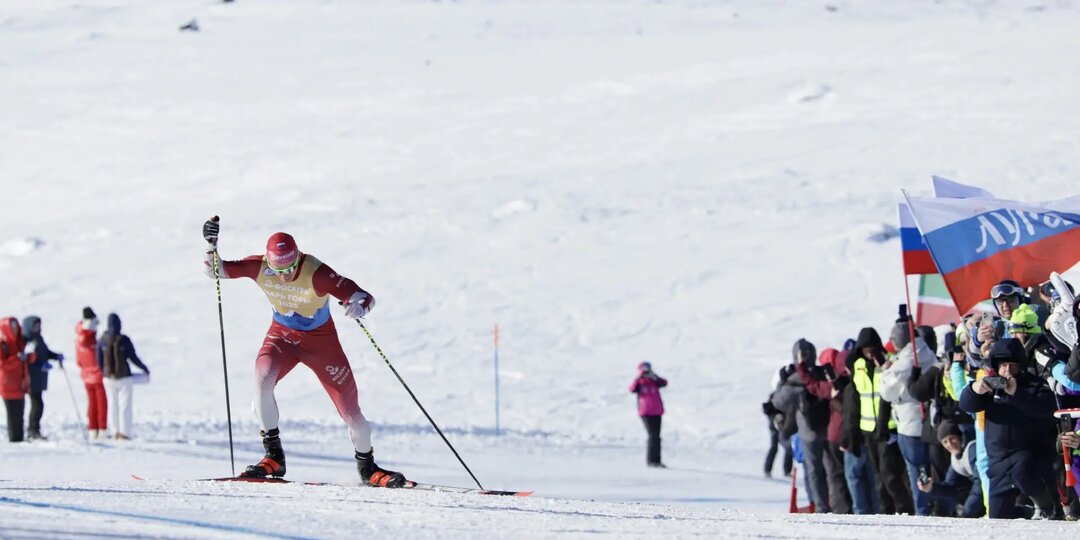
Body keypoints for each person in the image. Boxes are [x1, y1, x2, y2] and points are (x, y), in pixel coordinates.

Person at [201, 219, 407, 487]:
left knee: (352, 413)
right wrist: (210, 246)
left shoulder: (317, 272)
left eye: (290, 268)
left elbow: (362, 295)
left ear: (298, 258)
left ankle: (368, 468)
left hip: (322, 344)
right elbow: (217, 270)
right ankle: (274, 456)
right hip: (282, 338)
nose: (284, 274)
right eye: (279, 270)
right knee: (262, 382)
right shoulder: (260, 266)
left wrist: (360, 306)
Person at [959, 338, 1059, 519]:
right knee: (998, 516)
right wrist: (974, 389)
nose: (1007, 371)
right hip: (998, 458)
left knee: (1022, 471)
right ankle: (1026, 512)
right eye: (1003, 365)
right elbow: (966, 405)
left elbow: (1045, 409)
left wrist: (1016, 393)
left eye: (1012, 366)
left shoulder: (1035, 384)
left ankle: (1047, 507)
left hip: (1028, 452)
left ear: (1020, 365)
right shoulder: (992, 386)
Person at [842, 326, 914, 515]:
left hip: (888, 428)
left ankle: (903, 509)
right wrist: (852, 433)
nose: (869, 353)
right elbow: (854, 402)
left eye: (872, 348)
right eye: (865, 349)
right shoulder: (858, 367)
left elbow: (890, 392)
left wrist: (884, 366)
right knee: (877, 475)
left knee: (889, 474)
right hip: (868, 429)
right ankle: (885, 510)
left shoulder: (888, 363)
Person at [880, 319, 934, 516]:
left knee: (916, 471)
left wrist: (885, 372)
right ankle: (939, 508)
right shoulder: (929, 354)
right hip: (931, 421)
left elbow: (887, 393)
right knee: (932, 469)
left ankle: (923, 512)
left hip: (910, 423)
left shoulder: (903, 363)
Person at [97, 313, 149, 440]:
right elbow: (133, 358)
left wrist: (103, 372)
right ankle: (124, 433)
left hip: (108, 378)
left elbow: (98, 361)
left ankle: (115, 431)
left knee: (112, 405)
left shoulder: (102, 340)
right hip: (125, 377)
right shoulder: (124, 340)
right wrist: (144, 368)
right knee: (125, 406)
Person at [916, 419, 984, 518]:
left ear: (960, 436)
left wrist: (967, 512)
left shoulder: (972, 449)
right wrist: (931, 488)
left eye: (952, 438)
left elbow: (980, 483)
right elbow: (951, 487)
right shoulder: (956, 456)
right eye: (945, 442)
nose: (950, 444)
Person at [22, 315, 64, 440]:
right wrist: (40, 366)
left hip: (39, 378)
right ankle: (33, 430)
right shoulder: (27, 341)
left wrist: (56, 356)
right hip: (31, 378)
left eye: (38, 325)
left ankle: (34, 430)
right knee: (37, 405)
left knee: (38, 404)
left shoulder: (38, 339)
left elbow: (45, 353)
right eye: (35, 325)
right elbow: (28, 361)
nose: (37, 327)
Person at [1, 317, 35, 442]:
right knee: (13, 415)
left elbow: (24, 362)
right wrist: (17, 359)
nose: (14, 330)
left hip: (20, 384)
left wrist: (30, 356)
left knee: (20, 415)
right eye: (12, 327)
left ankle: (19, 438)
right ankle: (14, 440)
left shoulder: (20, 344)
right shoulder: (3, 344)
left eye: (16, 327)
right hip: (8, 385)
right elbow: (2, 364)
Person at [76, 307, 107, 439]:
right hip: (96, 375)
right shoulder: (87, 338)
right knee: (100, 404)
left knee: (93, 403)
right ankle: (100, 430)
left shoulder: (79, 337)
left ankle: (93, 429)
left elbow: (79, 360)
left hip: (86, 376)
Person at [630, 361, 668, 468]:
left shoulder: (654, 381)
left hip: (657, 411)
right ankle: (651, 461)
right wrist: (639, 379)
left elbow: (664, 383)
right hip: (646, 412)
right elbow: (632, 389)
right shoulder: (639, 382)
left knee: (657, 437)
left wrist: (654, 377)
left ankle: (657, 460)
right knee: (652, 436)